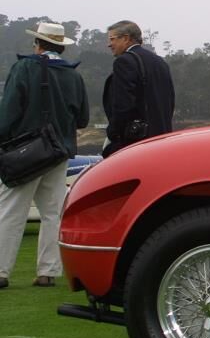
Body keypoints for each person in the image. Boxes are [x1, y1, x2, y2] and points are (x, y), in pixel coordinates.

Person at [0, 22, 90, 289]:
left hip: (26, 151)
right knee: (53, 213)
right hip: (59, 151)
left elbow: (9, 113)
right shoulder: (74, 76)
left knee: (10, 211)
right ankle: (48, 271)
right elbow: (82, 119)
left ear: (38, 44)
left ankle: (2, 271)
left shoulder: (25, 68)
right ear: (60, 46)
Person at [102, 20, 175, 157]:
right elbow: (169, 101)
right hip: (161, 137)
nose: (109, 44)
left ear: (126, 38)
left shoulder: (124, 61)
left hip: (135, 141)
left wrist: (114, 133)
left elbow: (123, 104)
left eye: (112, 39)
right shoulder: (160, 62)